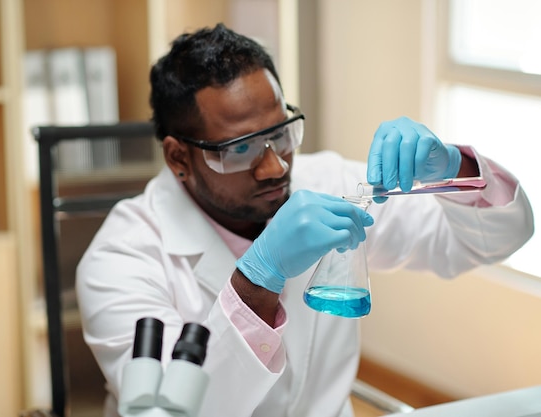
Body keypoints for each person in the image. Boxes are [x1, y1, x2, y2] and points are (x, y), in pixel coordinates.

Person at [76, 23, 534, 417]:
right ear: (178, 156)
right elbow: (187, 408)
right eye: (241, 148)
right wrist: (258, 278)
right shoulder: (121, 259)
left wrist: (454, 169)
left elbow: (490, 241)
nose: (275, 167)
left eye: (280, 134)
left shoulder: (328, 181)